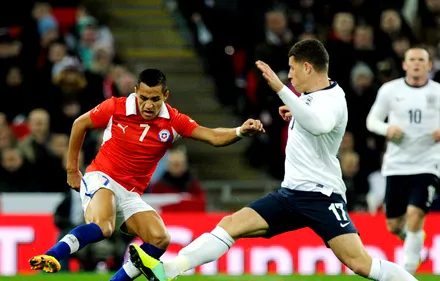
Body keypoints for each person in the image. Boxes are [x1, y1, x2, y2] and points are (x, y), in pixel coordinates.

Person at [127, 39, 420, 281]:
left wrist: (281, 89)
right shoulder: (309, 96)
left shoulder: (333, 98)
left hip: (320, 196)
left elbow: (319, 124)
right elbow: (310, 118)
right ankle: (167, 271)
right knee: (232, 224)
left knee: (361, 264)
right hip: (291, 194)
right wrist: (294, 109)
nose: (289, 76)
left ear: (307, 67)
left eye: (292, 70)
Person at [28, 69, 265, 281]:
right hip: (102, 178)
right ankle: (53, 255)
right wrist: (72, 169)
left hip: (130, 193)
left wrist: (239, 131)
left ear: (166, 96)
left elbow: (213, 136)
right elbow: (79, 124)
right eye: (143, 98)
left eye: (155, 99)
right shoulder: (116, 107)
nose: (148, 105)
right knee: (104, 227)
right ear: (135, 92)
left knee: (160, 239)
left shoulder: (173, 121)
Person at [366, 46, 440, 274]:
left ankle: (407, 271)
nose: (417, 63)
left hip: (427, 162)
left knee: (415, 213)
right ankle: (415, 237)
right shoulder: (390, 90)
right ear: (404, 65)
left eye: (422, 60)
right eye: (412, 59)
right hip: (397, 164)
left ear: (430, 65)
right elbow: (372, 121)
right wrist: (387, 129)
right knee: (393, 225)